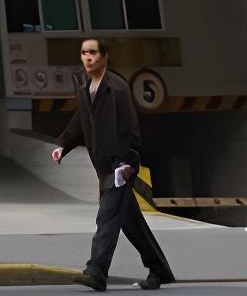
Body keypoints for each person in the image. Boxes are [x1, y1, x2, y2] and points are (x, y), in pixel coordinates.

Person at [54, 37, 174, 291]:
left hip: (120, 166)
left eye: (93, 52)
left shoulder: (117, 89)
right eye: (84, 53)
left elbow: (130, 128)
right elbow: (80, 119)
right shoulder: (85, 86)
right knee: (132, 223)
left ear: (105, 56)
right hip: (103, 167)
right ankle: (159, 270)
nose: (88, 57)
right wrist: (63, 145)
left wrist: (124, 163)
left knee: (107, 217)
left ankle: (96, 271)